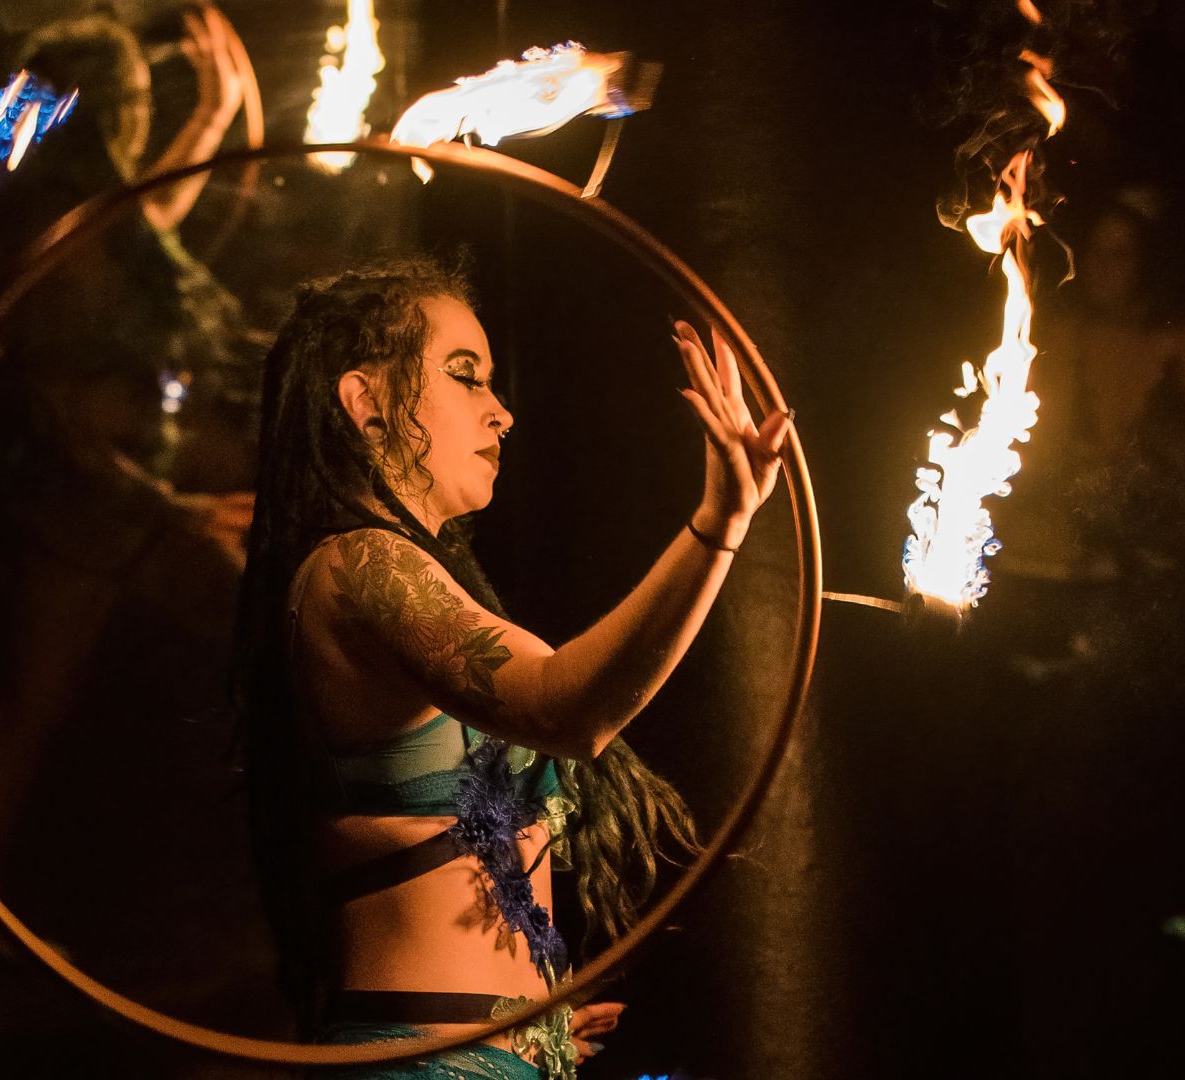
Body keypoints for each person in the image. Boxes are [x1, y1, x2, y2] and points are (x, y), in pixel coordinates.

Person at [234, 258, 791, 1078]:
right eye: (466, 378)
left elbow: (565, 702)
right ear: (365, 405)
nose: (502, 413)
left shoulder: (430, 585)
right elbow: (565, 709)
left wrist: (535, 1020)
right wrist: (719, 523)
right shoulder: (358, 568)